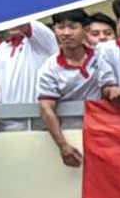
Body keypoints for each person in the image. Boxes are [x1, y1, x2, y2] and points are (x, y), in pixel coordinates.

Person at [33, 9, 112, 169]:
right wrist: (63, 146)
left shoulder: (104, 56)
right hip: (71, 134)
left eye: (73, 27)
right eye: (61, 27)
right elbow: (46, 108)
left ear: (86, 30)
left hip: (105, 133)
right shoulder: (49, 68)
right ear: (54, 30)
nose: (66, 33)